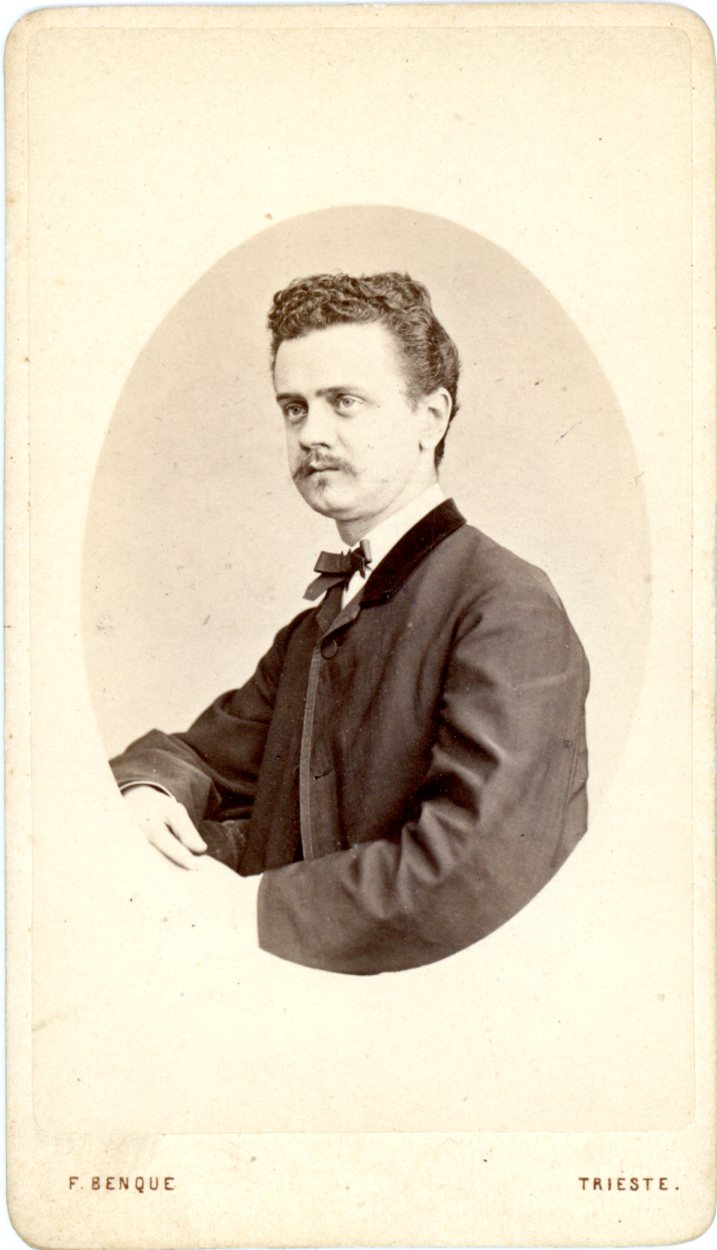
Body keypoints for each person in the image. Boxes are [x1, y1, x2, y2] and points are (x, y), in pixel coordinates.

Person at [111, 271, 590, 976]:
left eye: (344, 402)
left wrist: (238, 908)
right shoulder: (314, 632)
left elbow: (473, 874)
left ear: (431, 417)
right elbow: (203, 760)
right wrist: (147, 795)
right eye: (294, 407)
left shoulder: (506, 605)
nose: (311, 433)